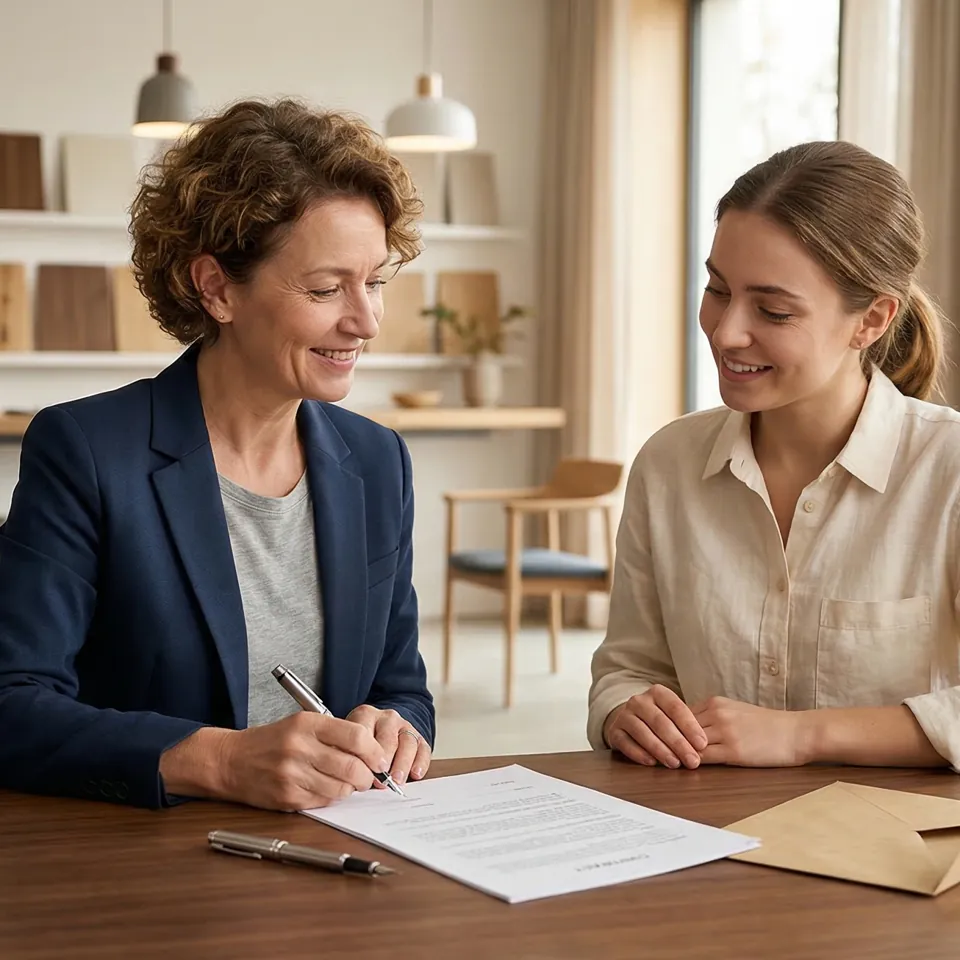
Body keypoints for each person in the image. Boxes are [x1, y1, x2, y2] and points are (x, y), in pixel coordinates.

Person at [0, 98, 435, 810]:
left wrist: (398, 729)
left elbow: (402, 689)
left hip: (341, 864)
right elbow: (12, 704)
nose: (366, 321)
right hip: (149, 873)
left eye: (376, 281)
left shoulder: (378, 461)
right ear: (215, 288)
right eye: (327, 288)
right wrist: (222, 761)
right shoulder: (85, 452)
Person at [589, 140, 960, 773]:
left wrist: (803, 736)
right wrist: (627, 710)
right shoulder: (669, 463)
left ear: (871, 320)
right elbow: (628, 667)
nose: (727, 331)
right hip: (705, 840)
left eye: (774, 310)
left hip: (902, 852)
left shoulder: (947, 470)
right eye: (717, 289)